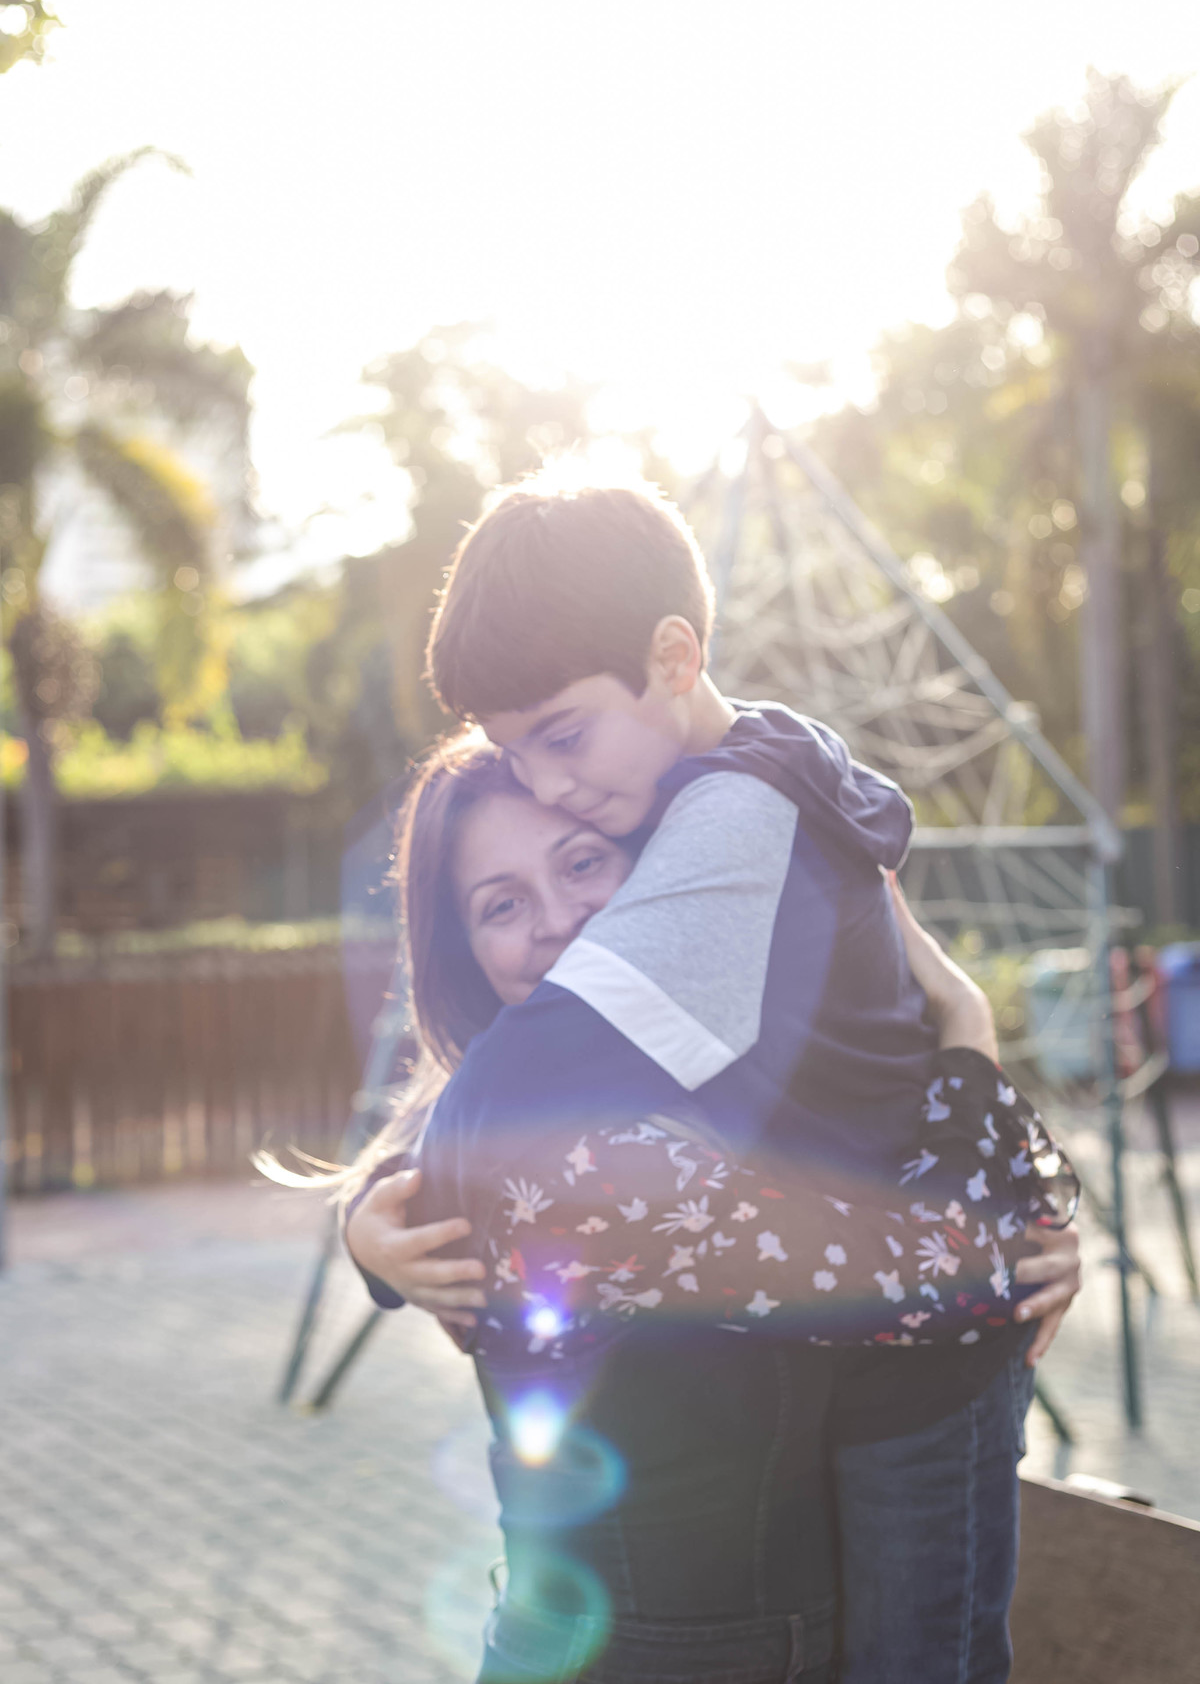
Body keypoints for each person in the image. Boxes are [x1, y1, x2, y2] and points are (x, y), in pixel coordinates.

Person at [348, 466, 1082, 1682]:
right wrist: (376, 1222)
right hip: (892, 1314)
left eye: (563, 739)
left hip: (930, 1347)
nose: (551, 785)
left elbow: (517, 1094)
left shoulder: (729, 820)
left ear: (676, 656)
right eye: (520, 755)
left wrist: (1008, 1208)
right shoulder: (720, 779)